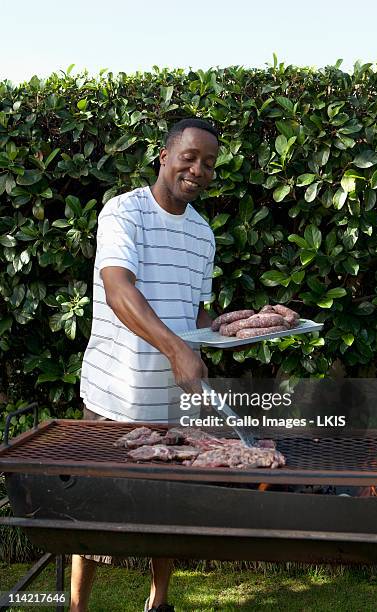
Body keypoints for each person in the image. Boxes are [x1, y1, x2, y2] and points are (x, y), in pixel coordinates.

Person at [71, 118, 219, 612]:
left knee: (166, 510)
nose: (198, 170)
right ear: (164, 155)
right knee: (94, 513)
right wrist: (178, 350)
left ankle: (158, 602)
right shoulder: (123, 213)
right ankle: (77, 606)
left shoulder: (203, 234)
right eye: (190, 157)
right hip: (114, 392)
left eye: (209, 163)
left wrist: (212, 339)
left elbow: (195, 311)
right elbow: (118, 290)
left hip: (173, 401)